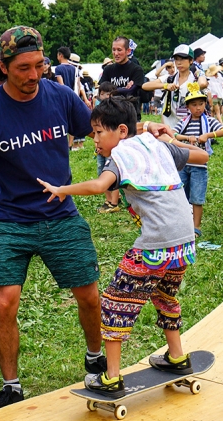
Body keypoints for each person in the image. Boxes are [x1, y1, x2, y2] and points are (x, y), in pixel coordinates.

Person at [0, 26, 174, 411]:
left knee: (89, 295)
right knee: (4, 302)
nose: (34, 76)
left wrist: (145, 128)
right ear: (3, 67)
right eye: (23, 69)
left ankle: (96, 358)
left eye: (39, 66)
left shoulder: (60, 96)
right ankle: (11, 385)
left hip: (60, 214)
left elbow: (104, 126)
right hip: (9, 220)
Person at [37, 95, 208, 396]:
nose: (95, 139)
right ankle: (177, 358)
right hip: (183, 243)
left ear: (122, 131)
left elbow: (99, 186)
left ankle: (112, 377)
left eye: (100, 132)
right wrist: (168, 136)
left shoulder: (121, 157)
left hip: (156, 244)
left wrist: (62, 189)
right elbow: (202, 157)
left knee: (116, 301)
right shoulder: (158, 146)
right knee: (164, 295)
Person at [172, 83, 223, 237]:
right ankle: (183, 224)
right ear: (188, 107)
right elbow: (173, 134)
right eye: (194, 105)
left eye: (201, 104)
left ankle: (196, 227)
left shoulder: (208, 121)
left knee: (197, 197)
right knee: (181, 196)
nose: (198, 108)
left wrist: (208, 135)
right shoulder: (184, 122)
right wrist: (186, 138)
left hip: (199, 165)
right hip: (183, 163)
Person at [142, 44, 207, 129]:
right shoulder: (170, 78)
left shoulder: (194, 78)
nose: (179, 62)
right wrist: (166, 86)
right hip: (169, 126)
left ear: (191, 60)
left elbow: (202, 84)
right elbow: (145, 86)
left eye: (183, 59)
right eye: (176, 59)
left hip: (189, 126)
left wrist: (200, 73)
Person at [98, 36, 145, 111]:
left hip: (130, 113)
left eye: (119, 50)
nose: (116, 53)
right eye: (113, 50)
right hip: (111, 112)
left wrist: (111, 91)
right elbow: (102, 91)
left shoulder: (136, 69)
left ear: (128, 51)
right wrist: (122, 89)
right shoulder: (108, 69)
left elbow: (131, 92)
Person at [94, 83, 120, 213]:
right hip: (101, 148)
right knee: (102, 171)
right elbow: (96, 130)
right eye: (102, 93)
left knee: (113, 174)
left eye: (108, 94)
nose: (104, 96)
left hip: (112, 148)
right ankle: (108, 200)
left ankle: (114, 202)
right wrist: (97, 144)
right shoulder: (97, 109)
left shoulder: (115, 111)